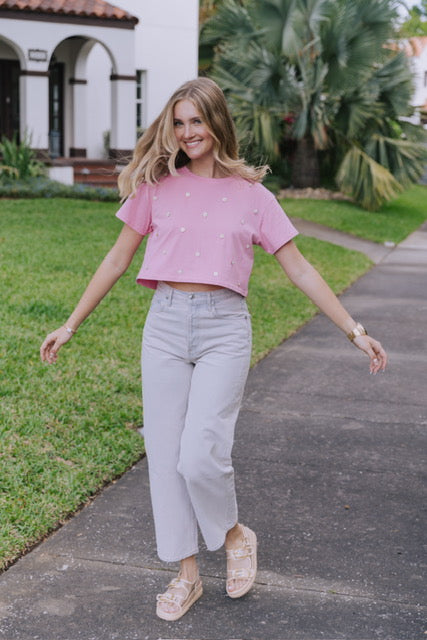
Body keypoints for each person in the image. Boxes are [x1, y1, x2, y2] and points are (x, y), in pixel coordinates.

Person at [40, 77, 387, 621]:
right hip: (166, 326)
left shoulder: (254, 196)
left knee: (201, 454)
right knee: (165, 456)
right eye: (177, 123)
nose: (186, 132)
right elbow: (116, 259)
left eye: (196, 121)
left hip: (225, 328)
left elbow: (297, 266)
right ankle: (186, 575)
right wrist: (71, 323)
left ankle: (233, 534)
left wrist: (353, 328)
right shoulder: (156, 186)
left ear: (217, 122)